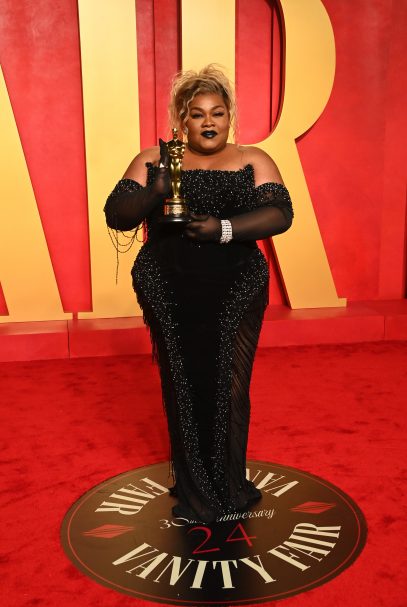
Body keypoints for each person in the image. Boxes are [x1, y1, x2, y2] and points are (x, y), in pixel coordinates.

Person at [104, 65, 293, 523]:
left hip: (236, 285)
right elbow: (117, 214)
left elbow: (280, 214)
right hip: (168, 285)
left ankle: (227, 485)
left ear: (230, 117)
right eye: (197, 114)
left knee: (230, 386)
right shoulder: (156, 158)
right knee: (182, 385)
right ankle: (195, 492)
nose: (208, 122)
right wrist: (156, 191)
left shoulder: (253, 158)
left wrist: (221, 230)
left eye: (218, 113)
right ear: (181, 119)